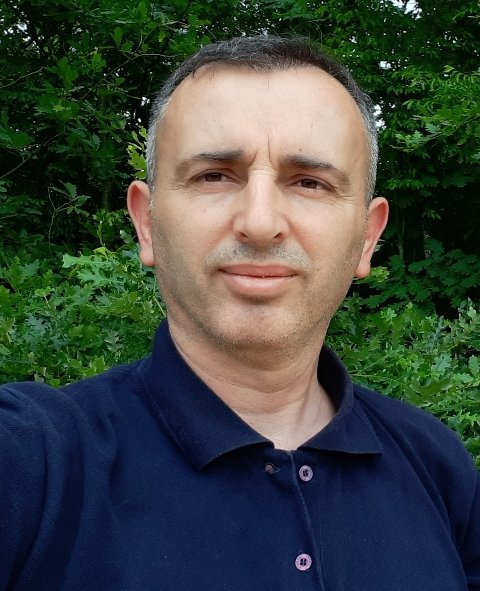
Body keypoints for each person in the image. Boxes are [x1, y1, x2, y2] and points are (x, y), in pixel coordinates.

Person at [0, 36, 478, 591]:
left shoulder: (437, 465)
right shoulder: (34, 463)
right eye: (215, 175)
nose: (259, 222)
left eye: (309, 182)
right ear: (147, 223)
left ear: (367, 238)